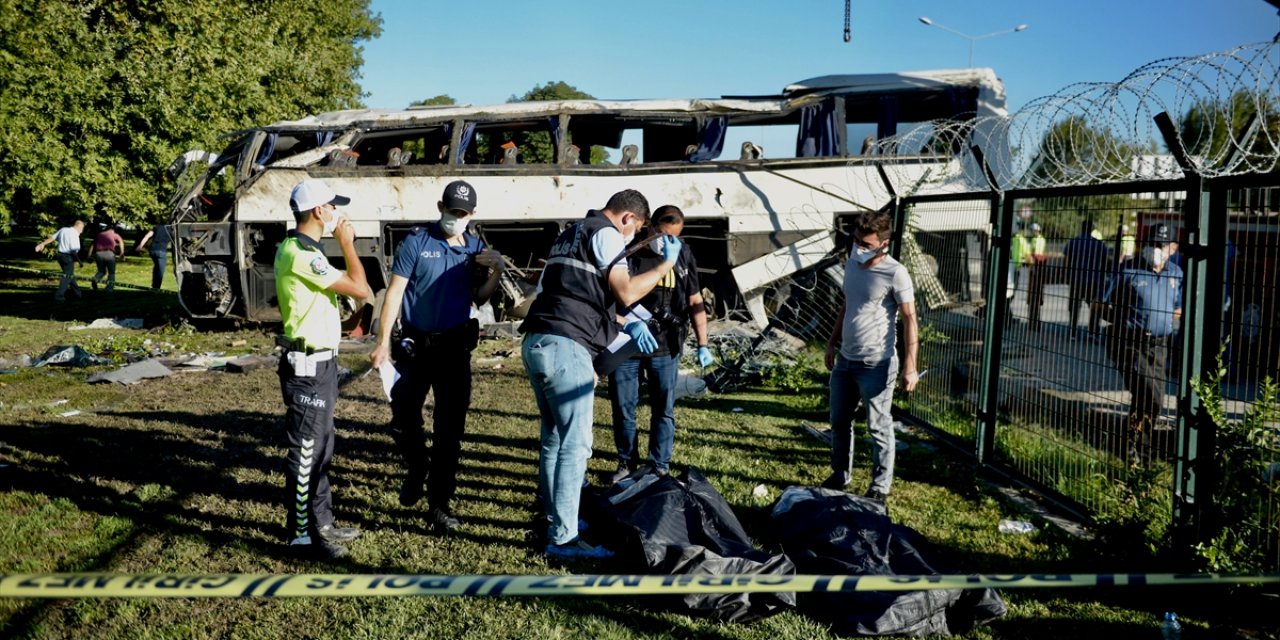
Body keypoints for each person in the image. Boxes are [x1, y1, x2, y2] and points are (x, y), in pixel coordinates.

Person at [519, 189, 683, 559]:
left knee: (554, 440)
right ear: (628, 218)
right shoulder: (606, 233)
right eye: (635, 229)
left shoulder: (569, 234)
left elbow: (561, 291)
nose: (632, 237)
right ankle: (563, 538)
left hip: (538, 340)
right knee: (575, 445)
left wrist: (618, 325)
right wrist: (664, 266)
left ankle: (557, 519)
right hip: (567, 344)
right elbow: (626, 291)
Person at [369, 180, 504, 534]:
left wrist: (496, 271)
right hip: (415, 345)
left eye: (463, 213)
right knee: (402, 418)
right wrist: (383, 342)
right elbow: (394, 293)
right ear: (440, 206)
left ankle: (439, 504)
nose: (456, 217)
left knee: (449, 431)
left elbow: (480, 298)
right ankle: (417, 466)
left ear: (472, 214)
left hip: (454, 349)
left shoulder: (475, 248)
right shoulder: (416, 242)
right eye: (452, 210)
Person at [274, 178, 372, 559]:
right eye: (332, 206)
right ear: (318, 211)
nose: (335, 212)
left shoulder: (303, 250)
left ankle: (322, 522)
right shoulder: (302, 254)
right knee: (306, 455)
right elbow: (361, 288)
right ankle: (300, 536)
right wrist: (347, 244)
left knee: (322, 448)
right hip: (308, 368)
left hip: (321, 364)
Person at [607, 205, 713, 484]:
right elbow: (614, 295)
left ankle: (659, 465)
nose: (668, 242)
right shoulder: (630, 252)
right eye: (663, 235)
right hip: (628, 342)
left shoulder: (682, 254)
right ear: (650, 228)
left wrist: (703, 343)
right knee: (623, 406)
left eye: (674, 237)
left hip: (666, 344)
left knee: (663, 408)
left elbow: (694, 299)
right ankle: (627, 462)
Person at [823, 211, 919, 502]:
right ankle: (840, 475)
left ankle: (880, 486)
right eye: (856, 241)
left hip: (876, 363)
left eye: (866, 244)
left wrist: (910, 365)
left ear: (884, 244)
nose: (859, 248)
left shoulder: (895, 273)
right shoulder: (852, 265)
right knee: (839, 421)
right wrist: (832, 343)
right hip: (845, 361)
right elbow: (847, 305)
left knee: (878, 426)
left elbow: (910, 318)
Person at [1101, 223, 1182, 464]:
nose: (1155, 249)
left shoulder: (1176, 274)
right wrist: (1126, 319)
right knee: (1147, 394)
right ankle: (1135, 448)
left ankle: (1137, 450)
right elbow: (1100, 304)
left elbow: (1178, 307)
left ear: (1173, 248)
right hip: (1131, 343)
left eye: (1161, 245)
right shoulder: (1129, 270)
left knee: (1151, 400)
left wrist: (1161, 318)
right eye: (1152, 243)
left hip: (1159, 346)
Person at [1063, 220, 1109, 340]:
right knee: (1094, 307)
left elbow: (1066, 261)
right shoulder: (1100, 244)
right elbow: (1105, 263)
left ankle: (1073, 332)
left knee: (1074, 307)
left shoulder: (1073, 242)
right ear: (1092, 230)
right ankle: (1092, 333)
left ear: (1081, 228)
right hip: (1094, 281)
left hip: (1076, 280)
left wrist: (1066, 276)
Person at [34, 219, 85, 302]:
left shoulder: (63, 229)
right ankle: (59, 296)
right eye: (82, 229)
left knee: (69, 275)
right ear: (78, 227)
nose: (82, 231)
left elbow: (52, 238)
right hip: (68, 257)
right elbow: (73, 251)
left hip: (60, 256)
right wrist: (80, 261)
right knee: (67, 276)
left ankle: (78, 293)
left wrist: (42, 244)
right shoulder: (75, 235)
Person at [135, 220, 173, 290]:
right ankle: (156, 288)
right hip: (161, 251)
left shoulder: (156, 227)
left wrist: (140, 246)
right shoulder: (171, 229)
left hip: (152, 250)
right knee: (160, 271)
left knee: (156, 268)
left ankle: (154, 286)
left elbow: (147, 236)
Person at [1025, 223, 1048, 332]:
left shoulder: (1035, 240)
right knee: (1037, 298)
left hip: (1035, 267)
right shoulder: (1043, 239)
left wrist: (1031, 263)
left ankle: (1032, 324)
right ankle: (1036, 323)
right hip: (1040, 268)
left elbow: (1032, 254)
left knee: (1033, 299)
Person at [89, 223, 125, 292]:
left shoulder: (99, 234)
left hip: (98, 254)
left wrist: (89, 255)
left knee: (101, 271)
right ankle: (109, 288)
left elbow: (92, 244)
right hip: (109, 254)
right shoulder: (114, 234)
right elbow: (121, 241)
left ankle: (95, 279)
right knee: (111, 272)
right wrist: (122, 253)